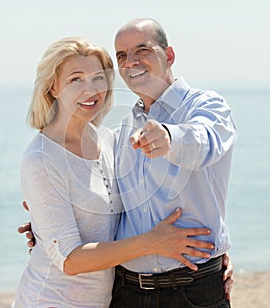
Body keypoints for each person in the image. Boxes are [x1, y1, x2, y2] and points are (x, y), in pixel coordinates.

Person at [13, 36, 217, 307]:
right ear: (53, 87)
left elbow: (137, 207)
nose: (91, 89)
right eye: (76, 79)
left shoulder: (110, 142)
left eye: (98, 78)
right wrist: (152, 242)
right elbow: (70, 260)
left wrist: (216, 259)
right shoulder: (41, 159)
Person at [108, 18, 236, 307]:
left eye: (142, 50)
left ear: (168, 56)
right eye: (122, 55)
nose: (131, 62)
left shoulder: (206, 105)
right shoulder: (121, 133)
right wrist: (48, 220)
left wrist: (169, 137)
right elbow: (105, 201)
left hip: (193, 290)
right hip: (126, 292)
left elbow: (205, 141)